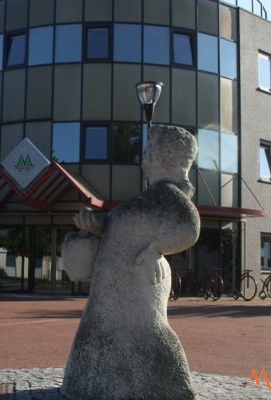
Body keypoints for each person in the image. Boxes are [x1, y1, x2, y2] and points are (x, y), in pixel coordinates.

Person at [61, 125, 200, 400]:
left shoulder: (167, 196)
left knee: (142, 332)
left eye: (151, 148)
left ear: (166, 156)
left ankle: (166, 386)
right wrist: (96, 225)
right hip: (115, 287)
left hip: (133, 284)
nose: (145, 154)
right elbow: (121, 227)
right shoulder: (153, 197)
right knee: (106, 331)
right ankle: (96, 386)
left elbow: (189, 227)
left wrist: (156, 249)